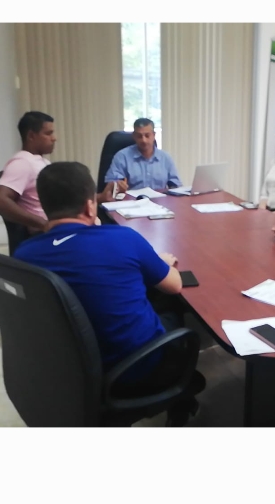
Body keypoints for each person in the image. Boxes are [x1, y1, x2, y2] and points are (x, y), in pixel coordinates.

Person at [15, 162, 202, 406]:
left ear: (44, 207)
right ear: (89, 206)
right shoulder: (122, 238)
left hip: (69, 372)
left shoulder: (23, 256)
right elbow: (175, 284)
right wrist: (160, 262)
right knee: (169, 301)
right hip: (137, 370)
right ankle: (179, 398)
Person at [0, 111, 56, 236]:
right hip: (45, 234)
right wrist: (43, 224)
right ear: (31, 136)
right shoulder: (22, 163)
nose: (54, 138)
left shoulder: (41, 162)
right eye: (48, 133)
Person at [101, 118, 182, 198]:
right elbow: (111, 184)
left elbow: (175, 185)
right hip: (132, 202)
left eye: (147, 135)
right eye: (139, 136)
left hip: (159, 202)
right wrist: (117, 184)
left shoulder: (165, 158)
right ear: (134, 136)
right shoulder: (122, 156)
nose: (144, 140)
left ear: (154, 135)